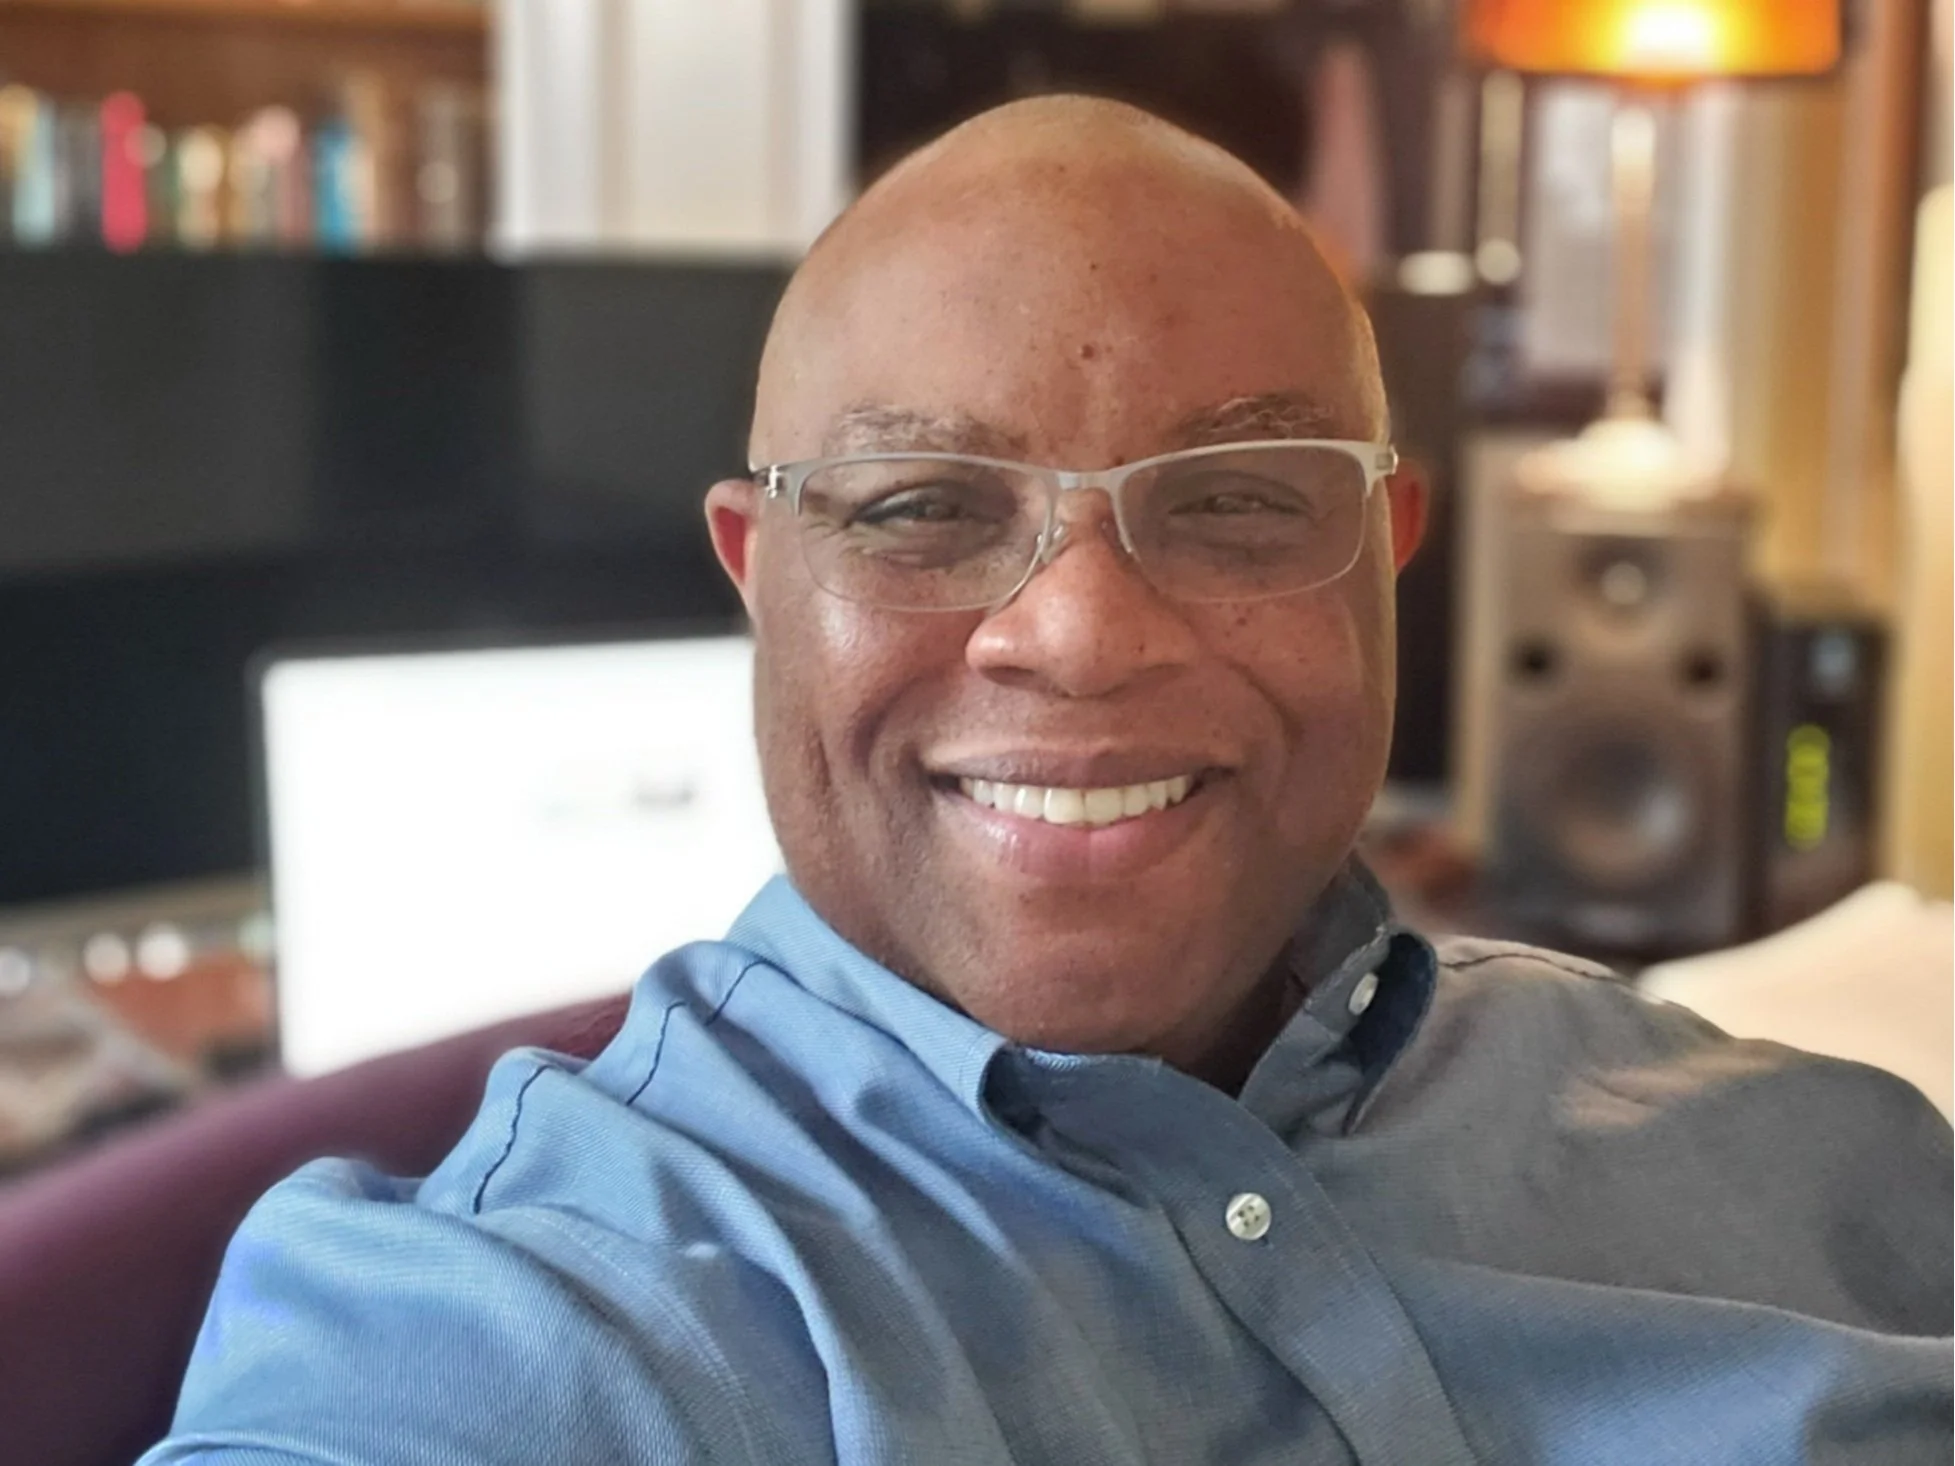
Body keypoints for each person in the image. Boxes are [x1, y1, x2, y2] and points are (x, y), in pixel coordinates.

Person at [141, 98, 1950, 1464]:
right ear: (757, 577)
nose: (1078, 633)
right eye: (922, 505)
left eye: (1237, 499)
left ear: (1383, 552)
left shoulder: (1820, 1163)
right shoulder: (529, 1325)